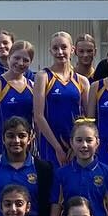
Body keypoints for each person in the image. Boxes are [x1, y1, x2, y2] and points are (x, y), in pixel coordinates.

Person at [50, 118, 108, 216]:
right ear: (71, 142)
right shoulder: (61, 174)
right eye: (79, 140)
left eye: (89, 140)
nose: (84, 145)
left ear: (97, 142)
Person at [33, 31, 88, 166]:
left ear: (72, 50)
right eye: (55, 48)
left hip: (75, 145)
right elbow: (38, 116)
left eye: (64, 47)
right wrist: (57, 148)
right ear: (50, 51)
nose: (60, 52)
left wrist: (76, 145)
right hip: (50, 143)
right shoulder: (43, 76)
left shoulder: (82, 81)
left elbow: (87, 118)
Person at [0, 40, 35, 158]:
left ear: (31, 62)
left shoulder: (32, 86)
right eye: (17, 58)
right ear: (9, 57)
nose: (20, 63)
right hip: (1, 148)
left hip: (24, 149)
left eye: (26, 60)